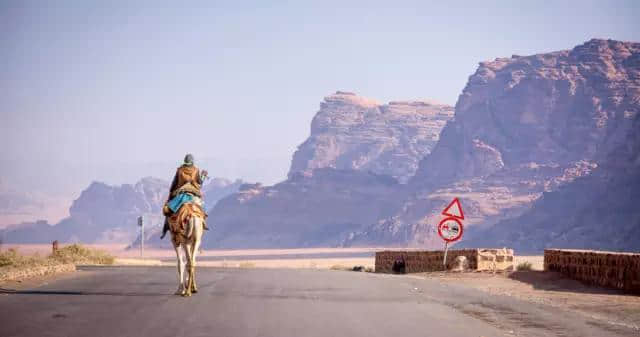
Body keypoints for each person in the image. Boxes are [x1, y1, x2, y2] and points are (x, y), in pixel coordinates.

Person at [161, 153, 210, 239]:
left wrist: (171, 192)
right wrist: (203, 176)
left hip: (181, 195)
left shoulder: (180, 170)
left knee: (168, 210)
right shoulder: (196, 170)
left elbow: (174, 183)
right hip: (194, 194)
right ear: (192, 162)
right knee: (203, 209)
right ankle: (203, 224)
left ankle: (166, 228)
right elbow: (199, 183)